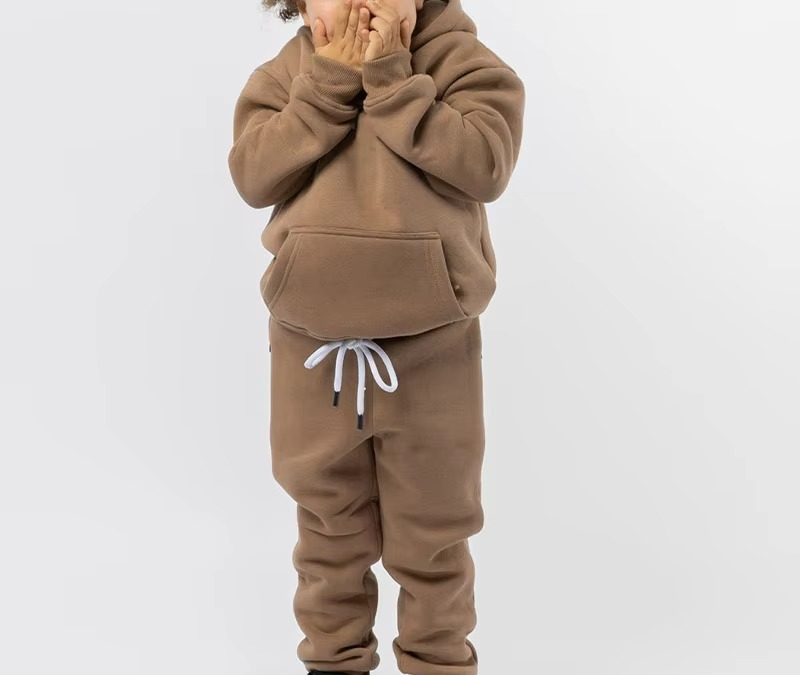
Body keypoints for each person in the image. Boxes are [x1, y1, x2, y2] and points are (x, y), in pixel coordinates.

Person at [227, 1, 525, 674]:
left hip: (432, 349)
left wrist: (393, 80)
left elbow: (486, 165)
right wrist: (328, 86)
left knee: (434, 534)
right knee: (328, 533)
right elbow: (252, 176)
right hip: (314, 349)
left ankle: (437, 662)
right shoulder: (285, 75)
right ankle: (334, 662)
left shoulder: (461, 64)